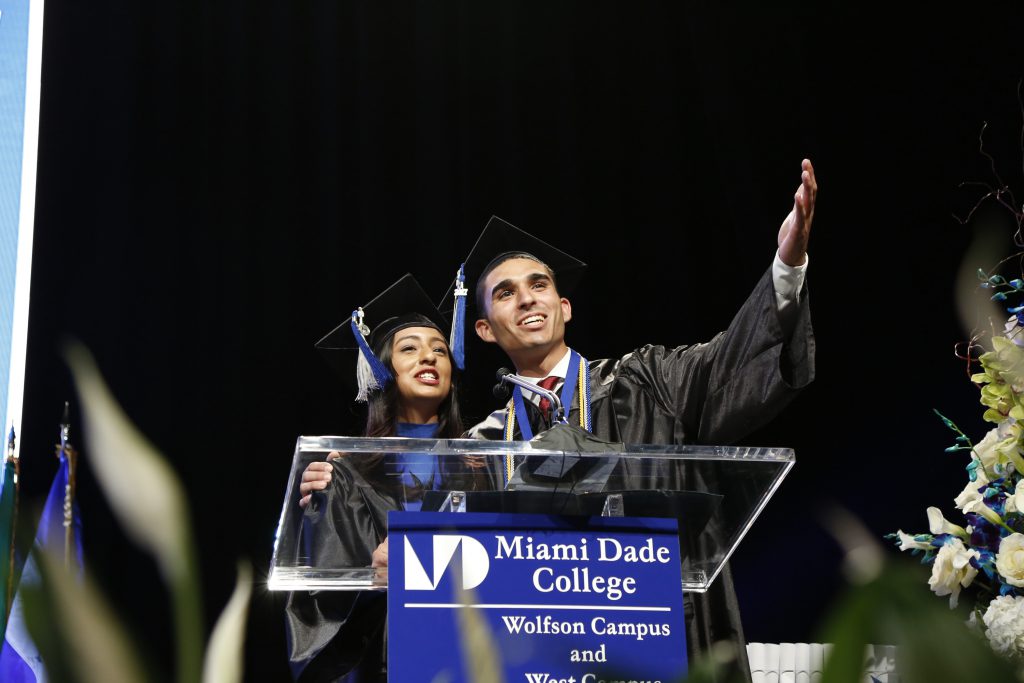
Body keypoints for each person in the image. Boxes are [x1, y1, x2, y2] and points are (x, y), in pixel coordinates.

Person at [441, 159, 817, 679]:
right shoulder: (485, 445)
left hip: (659, 634)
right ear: (483, 329)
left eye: (539, 284)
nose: (527, 297)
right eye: (505, 293)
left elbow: (727, 362)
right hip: (538, 650)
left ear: (564, 306)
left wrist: (786, 265)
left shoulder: (645, 380)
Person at [285, 273, 493, 682]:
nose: (429, 358)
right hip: (387, 662)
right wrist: (369, 577)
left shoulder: (481, 467)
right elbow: (322, 603)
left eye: (439, 350)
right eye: (409, 349)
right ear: (380, 370)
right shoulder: (343, 472)